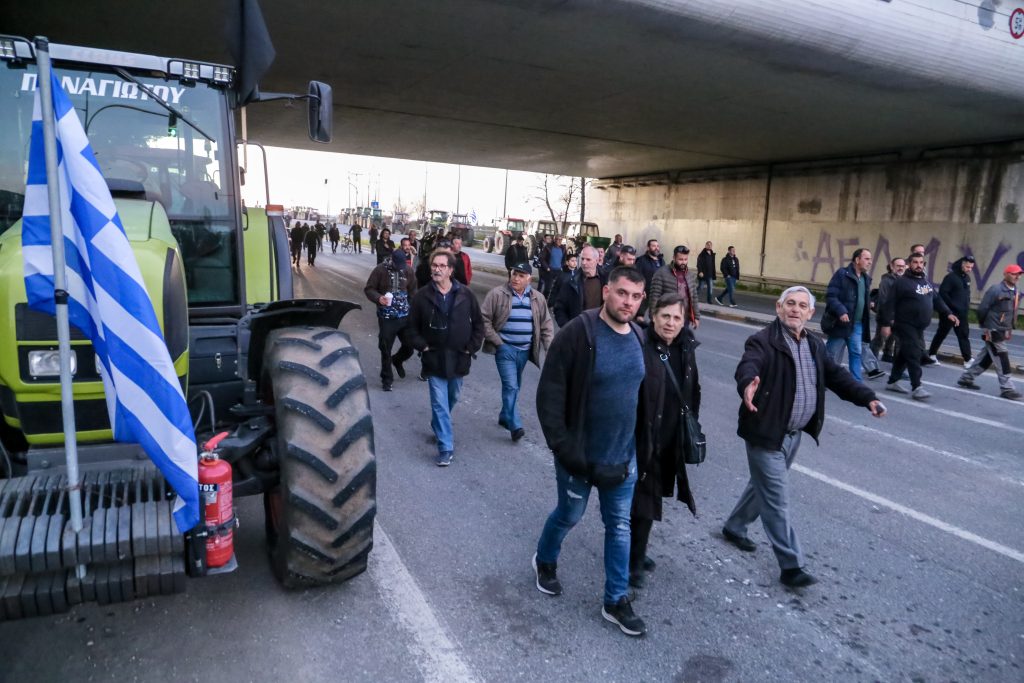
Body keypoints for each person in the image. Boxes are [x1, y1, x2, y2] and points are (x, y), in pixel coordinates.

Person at [722, 286, 884, 587]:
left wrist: (867, 398)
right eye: (790, 304)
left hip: (793, 434)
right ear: (778, 308)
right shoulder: (763, 340)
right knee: (776, 498)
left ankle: (735, 526)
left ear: (810, 313)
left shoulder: (814, 345)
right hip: (765, 430)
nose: (795, 309)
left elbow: (837, 377)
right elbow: (749, 365)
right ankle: (791, 565)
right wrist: (747, 384)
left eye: (801, 305)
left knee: (762, 487)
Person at [533, 267, 648, 637]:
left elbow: (642, 395)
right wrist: (564, 448)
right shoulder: (578, 333)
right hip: (579, 457)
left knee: (619, 527)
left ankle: (615, 600)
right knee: (569, 515)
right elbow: (549, 395)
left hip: (622, 458)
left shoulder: (639, 336)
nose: (628, 302)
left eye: (635, 296)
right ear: (606, 291)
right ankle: (545, 560)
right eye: (622, 293)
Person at [629, 293, 699, 590]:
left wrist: (690, 426)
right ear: (653, 316)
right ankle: (633, 562)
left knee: (650, 496)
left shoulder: (686, 347)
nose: (670, 323)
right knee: (644, 499)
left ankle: (634, 549)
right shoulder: (640, 345)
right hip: (641, 435)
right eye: (665, 316)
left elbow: (693, 388)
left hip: (670, 435)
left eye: (677, 318)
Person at [407, 250, 484, 466]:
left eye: (442, 266)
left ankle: (438, 424)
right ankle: (445, 447)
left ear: (450, 270)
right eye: (434, 265)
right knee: (439, 403)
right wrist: (423, 346)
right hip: (434, 358)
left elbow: (479, 324)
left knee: (453, 397)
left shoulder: (466, 295)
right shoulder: (422, 296)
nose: (437, 269)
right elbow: (411, 328)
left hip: (459, 357)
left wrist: (471, 347)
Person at [481, 261, 554, 441]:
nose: (516, 278)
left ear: (529, 279)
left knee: (515, 386)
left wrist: (550, 348)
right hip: (505, 349)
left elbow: (546, 324)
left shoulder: (537, 298)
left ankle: (504, 415)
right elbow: (483, 320)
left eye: (521, 276)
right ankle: (515, 425)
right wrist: (498, 343)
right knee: (511, 386)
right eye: (514, 274)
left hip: (525, 351)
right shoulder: (497, 294)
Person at [881, 253, 959, 400]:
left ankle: (893, 381)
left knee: (905, 352)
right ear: (909, 264)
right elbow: (888, 303)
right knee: (914, 353)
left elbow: (936, 299)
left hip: (919, 326)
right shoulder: (901, 282)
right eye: (915, 262)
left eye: (921, 262)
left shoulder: (925, 282)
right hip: (904, 324)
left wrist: (948, 313)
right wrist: (885, 324)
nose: (918, 265)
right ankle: (917, 387)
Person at [957, 264, 1023, 399]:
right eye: (1014, 274)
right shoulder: (996, 289)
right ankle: (1007, 388)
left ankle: (966, 378)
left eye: (1019, 274)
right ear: (1006, 274)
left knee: (987, 357)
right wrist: (986, 326)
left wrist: (1009, 327)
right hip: (993, 329)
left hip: (1002, 329)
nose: (1017, 276)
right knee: (1002, 356)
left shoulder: (1014, 290)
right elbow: (982, 308)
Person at [364, 250, 417, 391]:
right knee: (385, 348)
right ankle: (387, 379)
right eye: (397, 265)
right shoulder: (380, 270)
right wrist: (378, 298)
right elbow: (369, 289)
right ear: (392, 260)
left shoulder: (408, 270)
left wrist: (412, 308)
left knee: (410, 346)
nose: (400, 268)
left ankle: (397, 360)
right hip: (387, 317)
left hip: (404, 316)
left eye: (402, 265)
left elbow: (413, 291)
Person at [823, 248, 873, 381]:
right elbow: (831, 296)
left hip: (857, 324)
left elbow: (860, 298)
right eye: (867, 259)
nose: (870, 262)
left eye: (870, 259)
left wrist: (869, 303)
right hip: (841, 323)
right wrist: (841, 311)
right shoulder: (842, 274)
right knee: (831, 354)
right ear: (857, 260)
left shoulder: (866, 279)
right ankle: (823, 379)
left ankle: (857, 383)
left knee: (856, 353)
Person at [927, 255, 975, 365]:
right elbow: (943, 294)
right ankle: (931, 354)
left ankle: (967, 359)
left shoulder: (967, 278)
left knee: (963, 335)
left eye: (971, 267)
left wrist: (965, 308)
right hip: (949, 312)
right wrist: (949, 309)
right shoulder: (951, 278)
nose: (969, 269)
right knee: (941, 333)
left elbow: (966, 295)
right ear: (962, 264)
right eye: (968, 267)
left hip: (962, 313)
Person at [551, 245, 604, 327]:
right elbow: (559, 308)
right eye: (582, 259)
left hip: (599, 329)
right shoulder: (571, 281)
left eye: (588, 259)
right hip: (578, 329)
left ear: (596, 260)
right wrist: (568, 327)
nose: (584, 262)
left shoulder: (606, 280)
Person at [648, 245, 699, 329]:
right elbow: (654, 297)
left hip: (684, 318)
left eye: (685, 259)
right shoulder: (661, 273)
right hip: (666, 317)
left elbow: (694, 297)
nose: (683, 262)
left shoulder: (690, 275)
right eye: (680, 259)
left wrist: (696, 317)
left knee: (683, 337)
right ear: (674, 258)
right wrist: (653, 316)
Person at [870, 257, 906, 362]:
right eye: (898, 266)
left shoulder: (904, 280)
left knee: (896, 339)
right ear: (891, 267)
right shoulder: (886, 281)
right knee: (880, 339)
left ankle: (891, 359)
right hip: (886, 316)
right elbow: (884, 300)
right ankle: (871, 360)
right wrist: (889, 318)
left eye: (903, 266)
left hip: (899, 316)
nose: (900, 268)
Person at [636, 239, 664, 317]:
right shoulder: (641, 260)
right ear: (648, 248)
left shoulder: (661, 260)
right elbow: (637, 276)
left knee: (656, 317)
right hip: (645, 295)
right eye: (654, 246)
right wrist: (641, 289)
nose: (656, 248)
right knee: (641, 318)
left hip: (658, 294)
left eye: (657, 246)